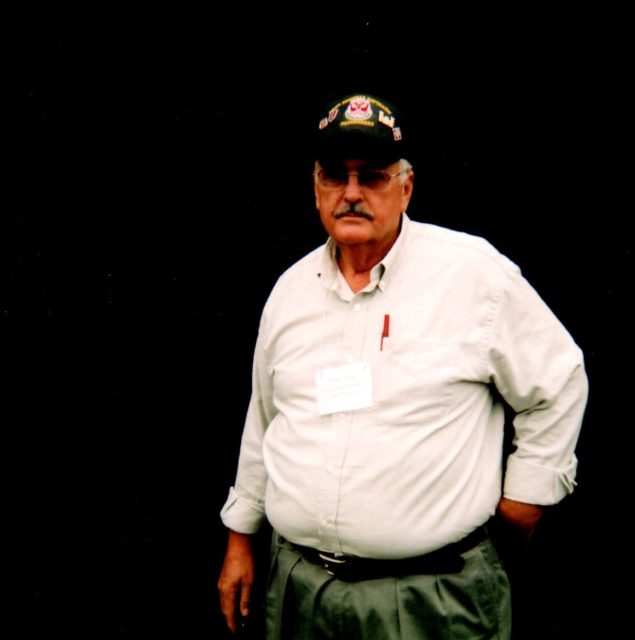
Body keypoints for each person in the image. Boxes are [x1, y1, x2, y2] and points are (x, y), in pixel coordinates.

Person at [217, 92, 588, 639]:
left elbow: (557, 381)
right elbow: (265, 420)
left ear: (406, 187)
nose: (351, 194)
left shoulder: (472, 274)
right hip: (299, 593)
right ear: (314, 188)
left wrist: (524, 500)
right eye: (334, 177)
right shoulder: (290, 291)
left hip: (432, 601)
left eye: (372, 177)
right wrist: (240, 538)